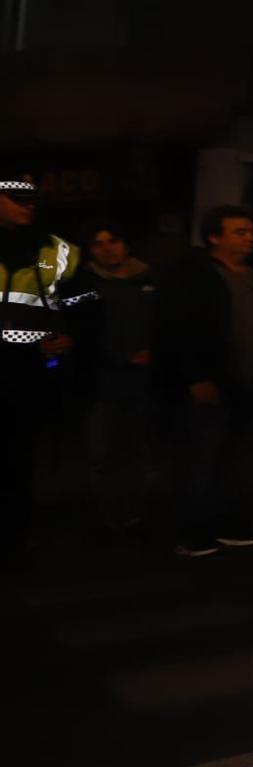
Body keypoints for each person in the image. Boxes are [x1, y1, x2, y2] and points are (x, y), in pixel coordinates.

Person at [155, 205, 253, 558]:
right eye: (239, 231)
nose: (249, 237)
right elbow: (181, 329)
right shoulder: (195, 277)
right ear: (215, 237)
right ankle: (193, 530)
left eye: (251, 231)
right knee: (202, 456)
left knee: (232, 458)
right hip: (214, 382)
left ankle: (226, 522)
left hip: (247, 385)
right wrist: (196, 376)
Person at [0, 174, 91, 566]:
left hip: (23, 376)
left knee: (17, 460)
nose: (29, 204)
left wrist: (68, 335)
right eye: (18, 197)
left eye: (33, 198)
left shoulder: (55, 250)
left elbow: (85, 299)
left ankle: (13, 540)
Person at [81, 224, 159, 531]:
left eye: (113, 240)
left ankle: (142, 514)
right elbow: (84, 333)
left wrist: (156, 353)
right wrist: (121, 356)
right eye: (98, 243)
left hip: (146, 381)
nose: (107, 248)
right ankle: (106, 516)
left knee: (145, 451)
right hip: (103, 383)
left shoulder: (150, 279)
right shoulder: (85, 285)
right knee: (102, 454)